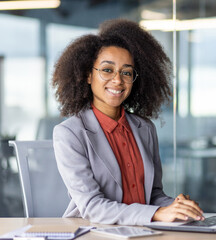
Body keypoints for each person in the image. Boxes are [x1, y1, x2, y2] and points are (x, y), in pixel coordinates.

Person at [51, 18, 204, 225]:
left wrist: (175, 206)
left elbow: (153, 195)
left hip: (143, 230)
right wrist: (157, 214)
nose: (117, 80)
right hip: (94, 231)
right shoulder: (70, 133)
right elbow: (92, 207)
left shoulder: (144, 129)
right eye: (107, 70)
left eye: (126, 72)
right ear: (88, 75)